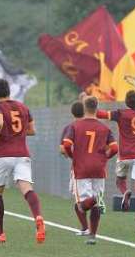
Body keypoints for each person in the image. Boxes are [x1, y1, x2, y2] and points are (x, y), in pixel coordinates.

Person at [0, 78, 45, 244]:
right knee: (27, 188)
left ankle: (0, 234)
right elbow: (32, 130)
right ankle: (38, 217)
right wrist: (17, 134)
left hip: (4, 154)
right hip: (22, 153)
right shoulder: (23, 107)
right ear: (9, 91)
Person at [96, 85, 135, 233]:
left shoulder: (120, 114)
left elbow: (101, 114)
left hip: (125, 155)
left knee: (120, 180)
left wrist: (90, 109)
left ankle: (125, 192)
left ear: (126, 102)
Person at [62, 96, 118, 245]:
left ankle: (94, 199)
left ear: (85, 108)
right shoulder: (105, 128)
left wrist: (73, 156)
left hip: (82, 168)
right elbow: (115, 148)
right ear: (96, 108)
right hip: (99, 168)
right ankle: (93, 235)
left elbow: (66, 145)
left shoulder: (75, 126)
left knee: (82, 205)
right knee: (96, 206)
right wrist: (105, 158)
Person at [58, 101, 89, 236]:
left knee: (78, 200)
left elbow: (63, 148)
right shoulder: (93, 126)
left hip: (79, 167)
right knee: (85, 197)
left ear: (72, 113)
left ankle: (85, 228)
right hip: (96, 166)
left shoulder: (70, 127)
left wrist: (70, 156)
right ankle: (95, 204)